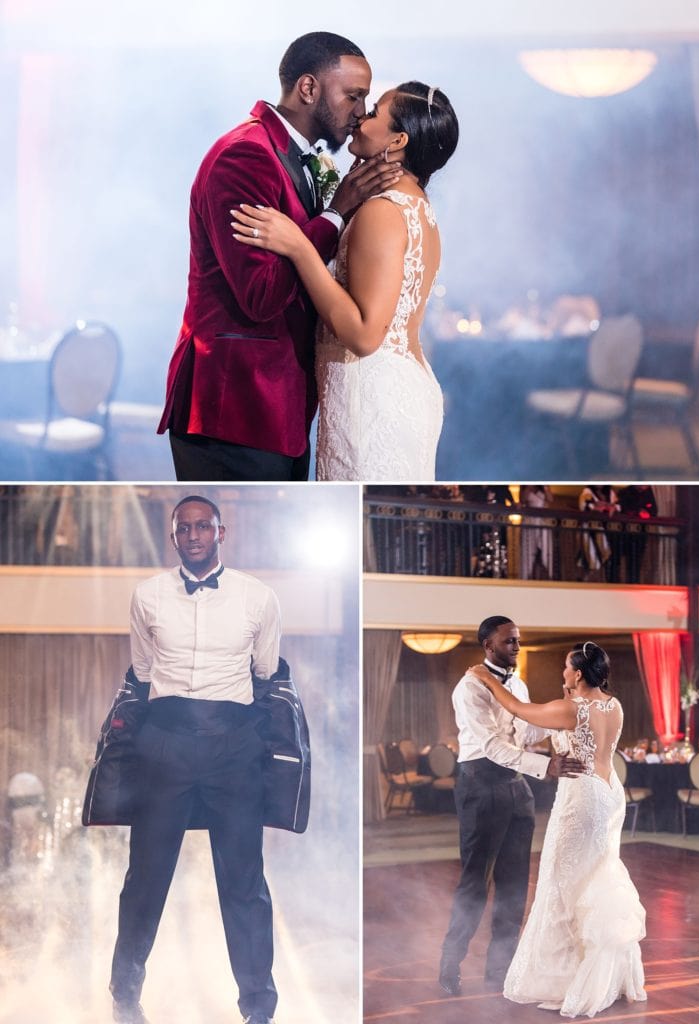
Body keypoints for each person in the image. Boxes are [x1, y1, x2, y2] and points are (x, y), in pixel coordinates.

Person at [158, 32, 402, 481]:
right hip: (234, 408)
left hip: (280, 407)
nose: (362, 112)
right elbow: (261, 296)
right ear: (308, 89)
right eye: (353, 96)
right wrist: (333, 215)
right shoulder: (245, 157)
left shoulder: (297, 156)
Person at [231, 81, 459, 481]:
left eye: (373, 114)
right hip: (389, 388)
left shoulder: (383, 212)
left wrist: (299, 248)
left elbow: (366, 335)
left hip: (372, 399)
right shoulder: (416, 207)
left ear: (399, 139)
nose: (360, 118)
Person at [109, 495, 281, 1024]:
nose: (193, 535)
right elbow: (141, 670)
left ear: (220, 532)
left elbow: (266, 669)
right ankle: (125, 994)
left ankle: (258, 1008)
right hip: (167, 743)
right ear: (174, 536)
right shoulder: (147, 595)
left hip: (234, 746)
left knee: (245, 883)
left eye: (202, 526)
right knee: (145, 878)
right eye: (184, 528)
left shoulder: (258, 596)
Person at [468, 641, 647, 1018]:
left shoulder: (569, 709)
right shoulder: (613, 705)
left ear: (578, 673)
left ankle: (567, 980)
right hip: (610, 793)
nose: (563, 674)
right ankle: (603, 975)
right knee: (597, 877)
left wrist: (485, 678)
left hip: (581, 800)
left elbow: (517, 708)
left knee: (561, 883)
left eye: (567, 669)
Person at [438, 616, 585, 996]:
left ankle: (500, 969)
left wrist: (561, 717)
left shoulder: (516, 683)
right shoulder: (469, 688)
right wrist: (544, 765)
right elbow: (490, 746)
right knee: (475, 882)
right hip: (479, 783)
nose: (516, 648)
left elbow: (527, 731)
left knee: (515, 884)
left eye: (518, 641)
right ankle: (450, 964)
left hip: (517, 787)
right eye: (509, 642)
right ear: (488, 645)